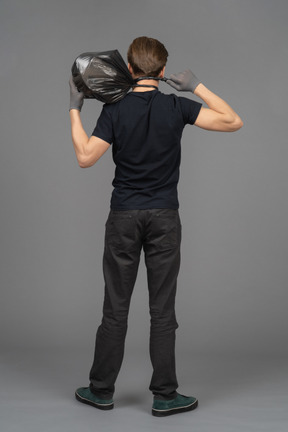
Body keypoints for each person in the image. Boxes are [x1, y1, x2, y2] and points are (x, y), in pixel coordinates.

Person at [69, 36, 243, 417]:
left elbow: (85, 158)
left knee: (115, 308)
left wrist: (74, 108)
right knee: (162, 311)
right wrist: (197, 85)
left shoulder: (114, 109)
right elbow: (233, 121)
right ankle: (165, 395)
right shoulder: (176, 106)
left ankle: (100, 391)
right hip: (164, 216)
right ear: (163, 72)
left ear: (129, 69)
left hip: (124, 217)